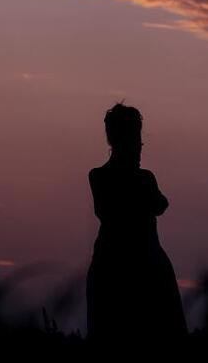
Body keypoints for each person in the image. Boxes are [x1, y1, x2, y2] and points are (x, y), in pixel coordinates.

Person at [87, 103, 188, 355]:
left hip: (127, 266)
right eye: (135, 139)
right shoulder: (122, 178)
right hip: (135, 267)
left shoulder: (104, 177)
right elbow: (157, 204)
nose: (139, 147)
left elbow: (157, 205)